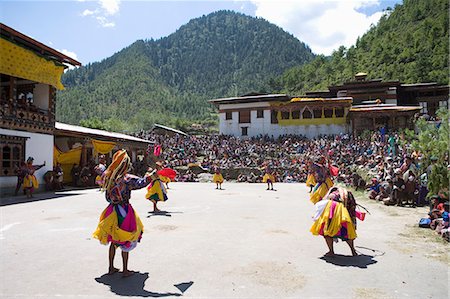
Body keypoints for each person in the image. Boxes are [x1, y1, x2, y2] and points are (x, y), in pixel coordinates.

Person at [92, 150, 151, 277]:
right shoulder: (126, 179)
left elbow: (100, 175)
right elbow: (142, 183)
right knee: (126, 238)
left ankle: (111, 267)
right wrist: (152, 176)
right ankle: (125, 270)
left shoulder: (108, 176)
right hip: (124, 211)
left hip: (111, 210)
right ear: (125, 165)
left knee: (113, 239)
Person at [310, 187, 364, 257]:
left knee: (327, 233)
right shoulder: (347, 196)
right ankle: (353, 251)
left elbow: (320, 206)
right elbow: (352, 209)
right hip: (343, 216)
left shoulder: (331, 198)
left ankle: (331, 251)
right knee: (346, 234)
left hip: (332, 215)